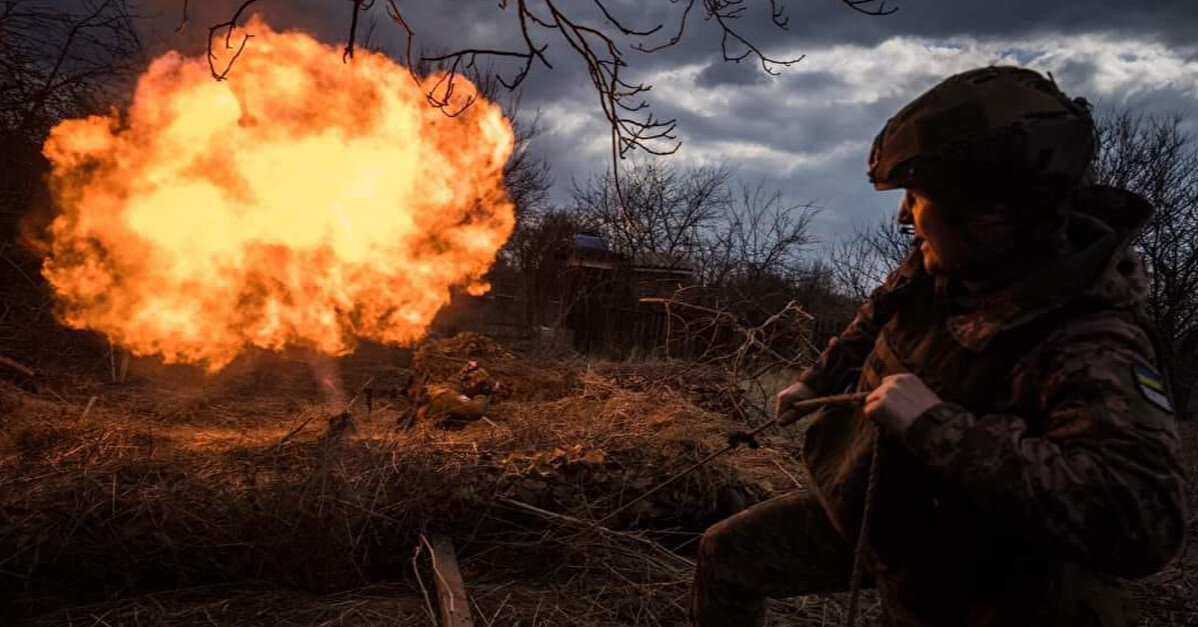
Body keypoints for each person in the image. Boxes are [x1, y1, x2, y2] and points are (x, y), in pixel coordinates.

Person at [690, 66, 1187, 627]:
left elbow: (1143, 526)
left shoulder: (1092, 341)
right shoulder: (946, 265)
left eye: (917, 197)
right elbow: (874, 316)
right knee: (725, 554)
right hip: (881, 515)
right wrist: (817, 379)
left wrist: (937, 426)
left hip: (982, 580)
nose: (904, 216)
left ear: (990, 217)